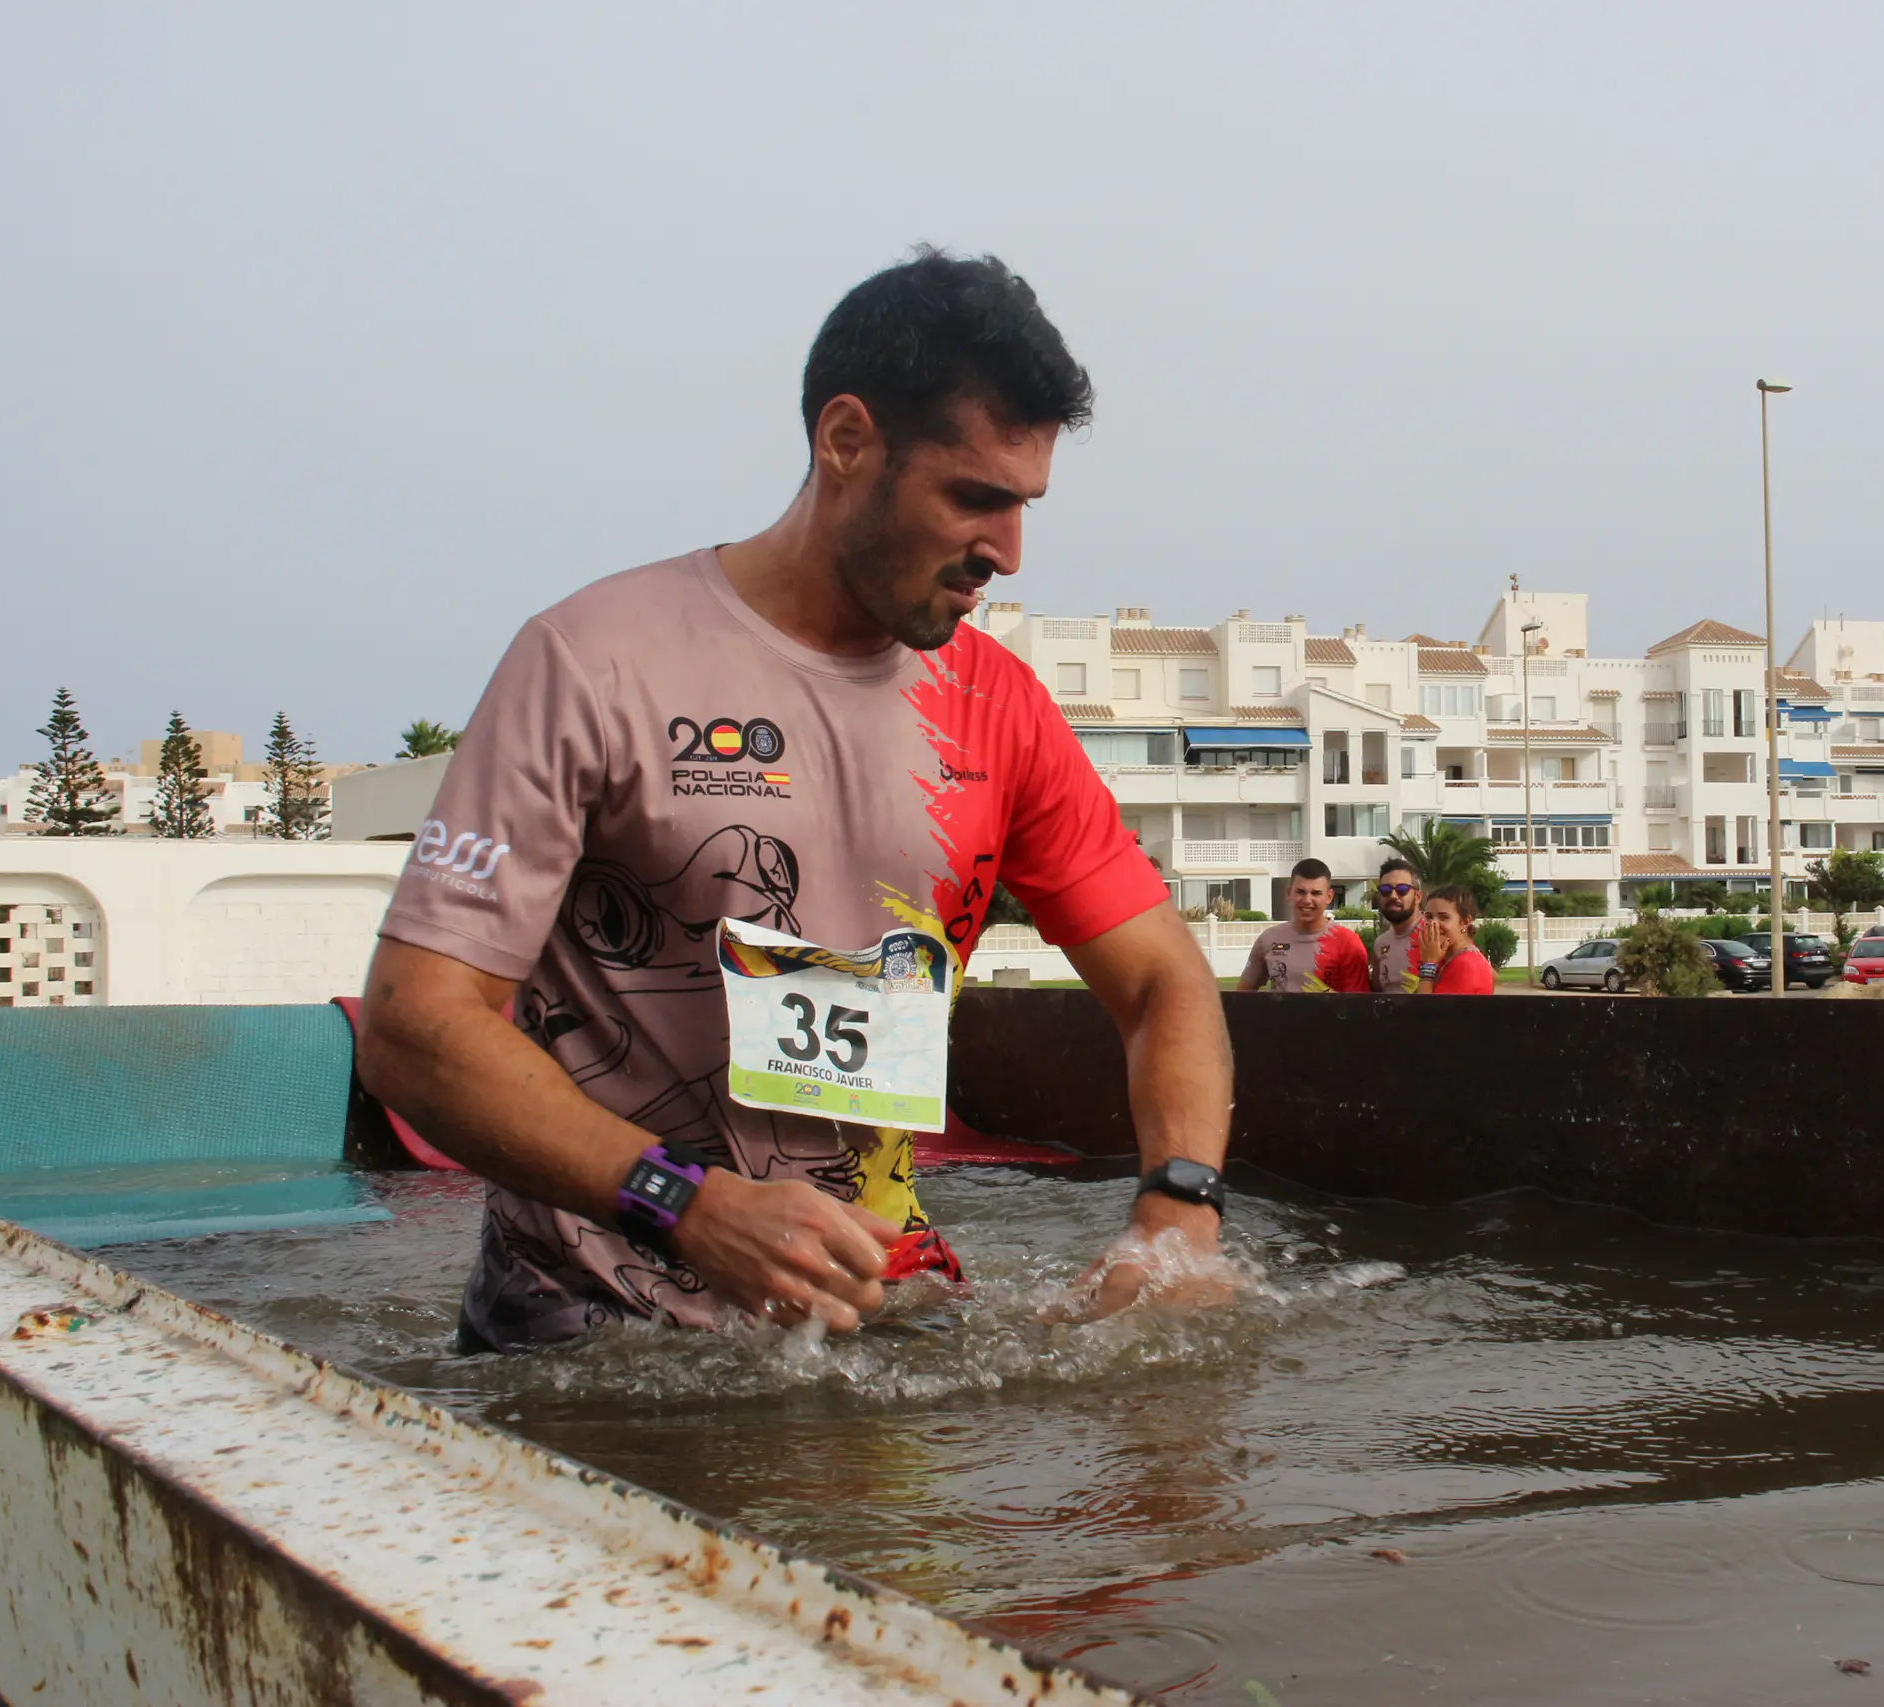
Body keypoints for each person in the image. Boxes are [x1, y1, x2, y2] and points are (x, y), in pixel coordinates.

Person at [357, 250, 1235, 1353]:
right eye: (973, 498)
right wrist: (689, 1205)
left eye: (1023, 507)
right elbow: (412, 1026)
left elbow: (1165, 983)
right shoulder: (594, 663)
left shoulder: (996, 708)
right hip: (592, 1344)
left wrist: (1179, 1209)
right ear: (846, 440)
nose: (1006, 552)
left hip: (879, 1336)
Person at [1236, 858, 1371, 993]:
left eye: (1316, 893)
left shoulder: (1348, 943)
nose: (1307, 900)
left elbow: (1359, 1006)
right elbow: (1241, 997)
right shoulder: (1268, 939)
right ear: (1289, 893)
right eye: (1300, 892)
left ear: (1329, 897)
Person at [1413, 885, 1498, 995]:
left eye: (1443, 917)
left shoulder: (1465, 964)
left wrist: (1427, 968)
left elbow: (1425, 1009)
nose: (1433, 924)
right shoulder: (1446, 956)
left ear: (1465, 922)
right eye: (1429, 917)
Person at [1367, 858, 1424, 993]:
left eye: (1402, 889)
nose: (1393, 896)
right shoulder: (1381, 944)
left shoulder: (1435, 935)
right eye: (1386, 890)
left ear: (1417, 897)